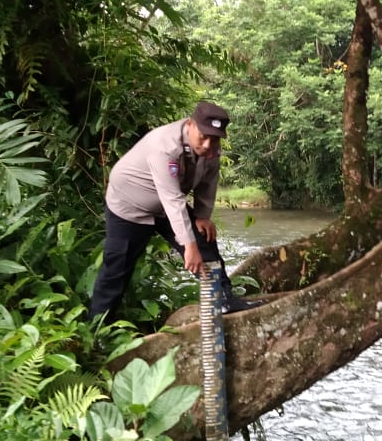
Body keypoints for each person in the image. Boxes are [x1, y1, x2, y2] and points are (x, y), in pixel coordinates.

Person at [89, 101, 262, 323]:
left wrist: (202, 216)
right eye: (203, 137)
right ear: (190, 125)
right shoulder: (164, 147)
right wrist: (188, 245)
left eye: (215, 139)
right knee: (117, 269)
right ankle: (98, 327)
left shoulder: (212, 149)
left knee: (204, 241)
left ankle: (224, 300)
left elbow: (208, 182)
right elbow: (172, 199)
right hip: (129, 206)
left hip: (165, 206)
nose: (208, 145)